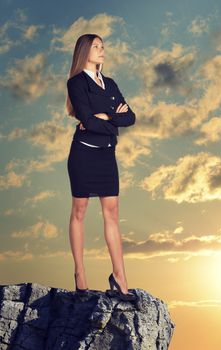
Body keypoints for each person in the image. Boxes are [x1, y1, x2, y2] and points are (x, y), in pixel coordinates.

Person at [65, 33, 136, 302]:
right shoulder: (76, 83)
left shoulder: (111, 83)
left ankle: (120, 278)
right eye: (96, 47)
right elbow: (86, 120)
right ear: (84, 51)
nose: (102, 50)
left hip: (107, 155)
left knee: (112, 214)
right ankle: (80, 274)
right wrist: (110, 118)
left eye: (103, 46)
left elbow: (130, 117)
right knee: (80, 211)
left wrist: (106, 117)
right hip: (83, 155)